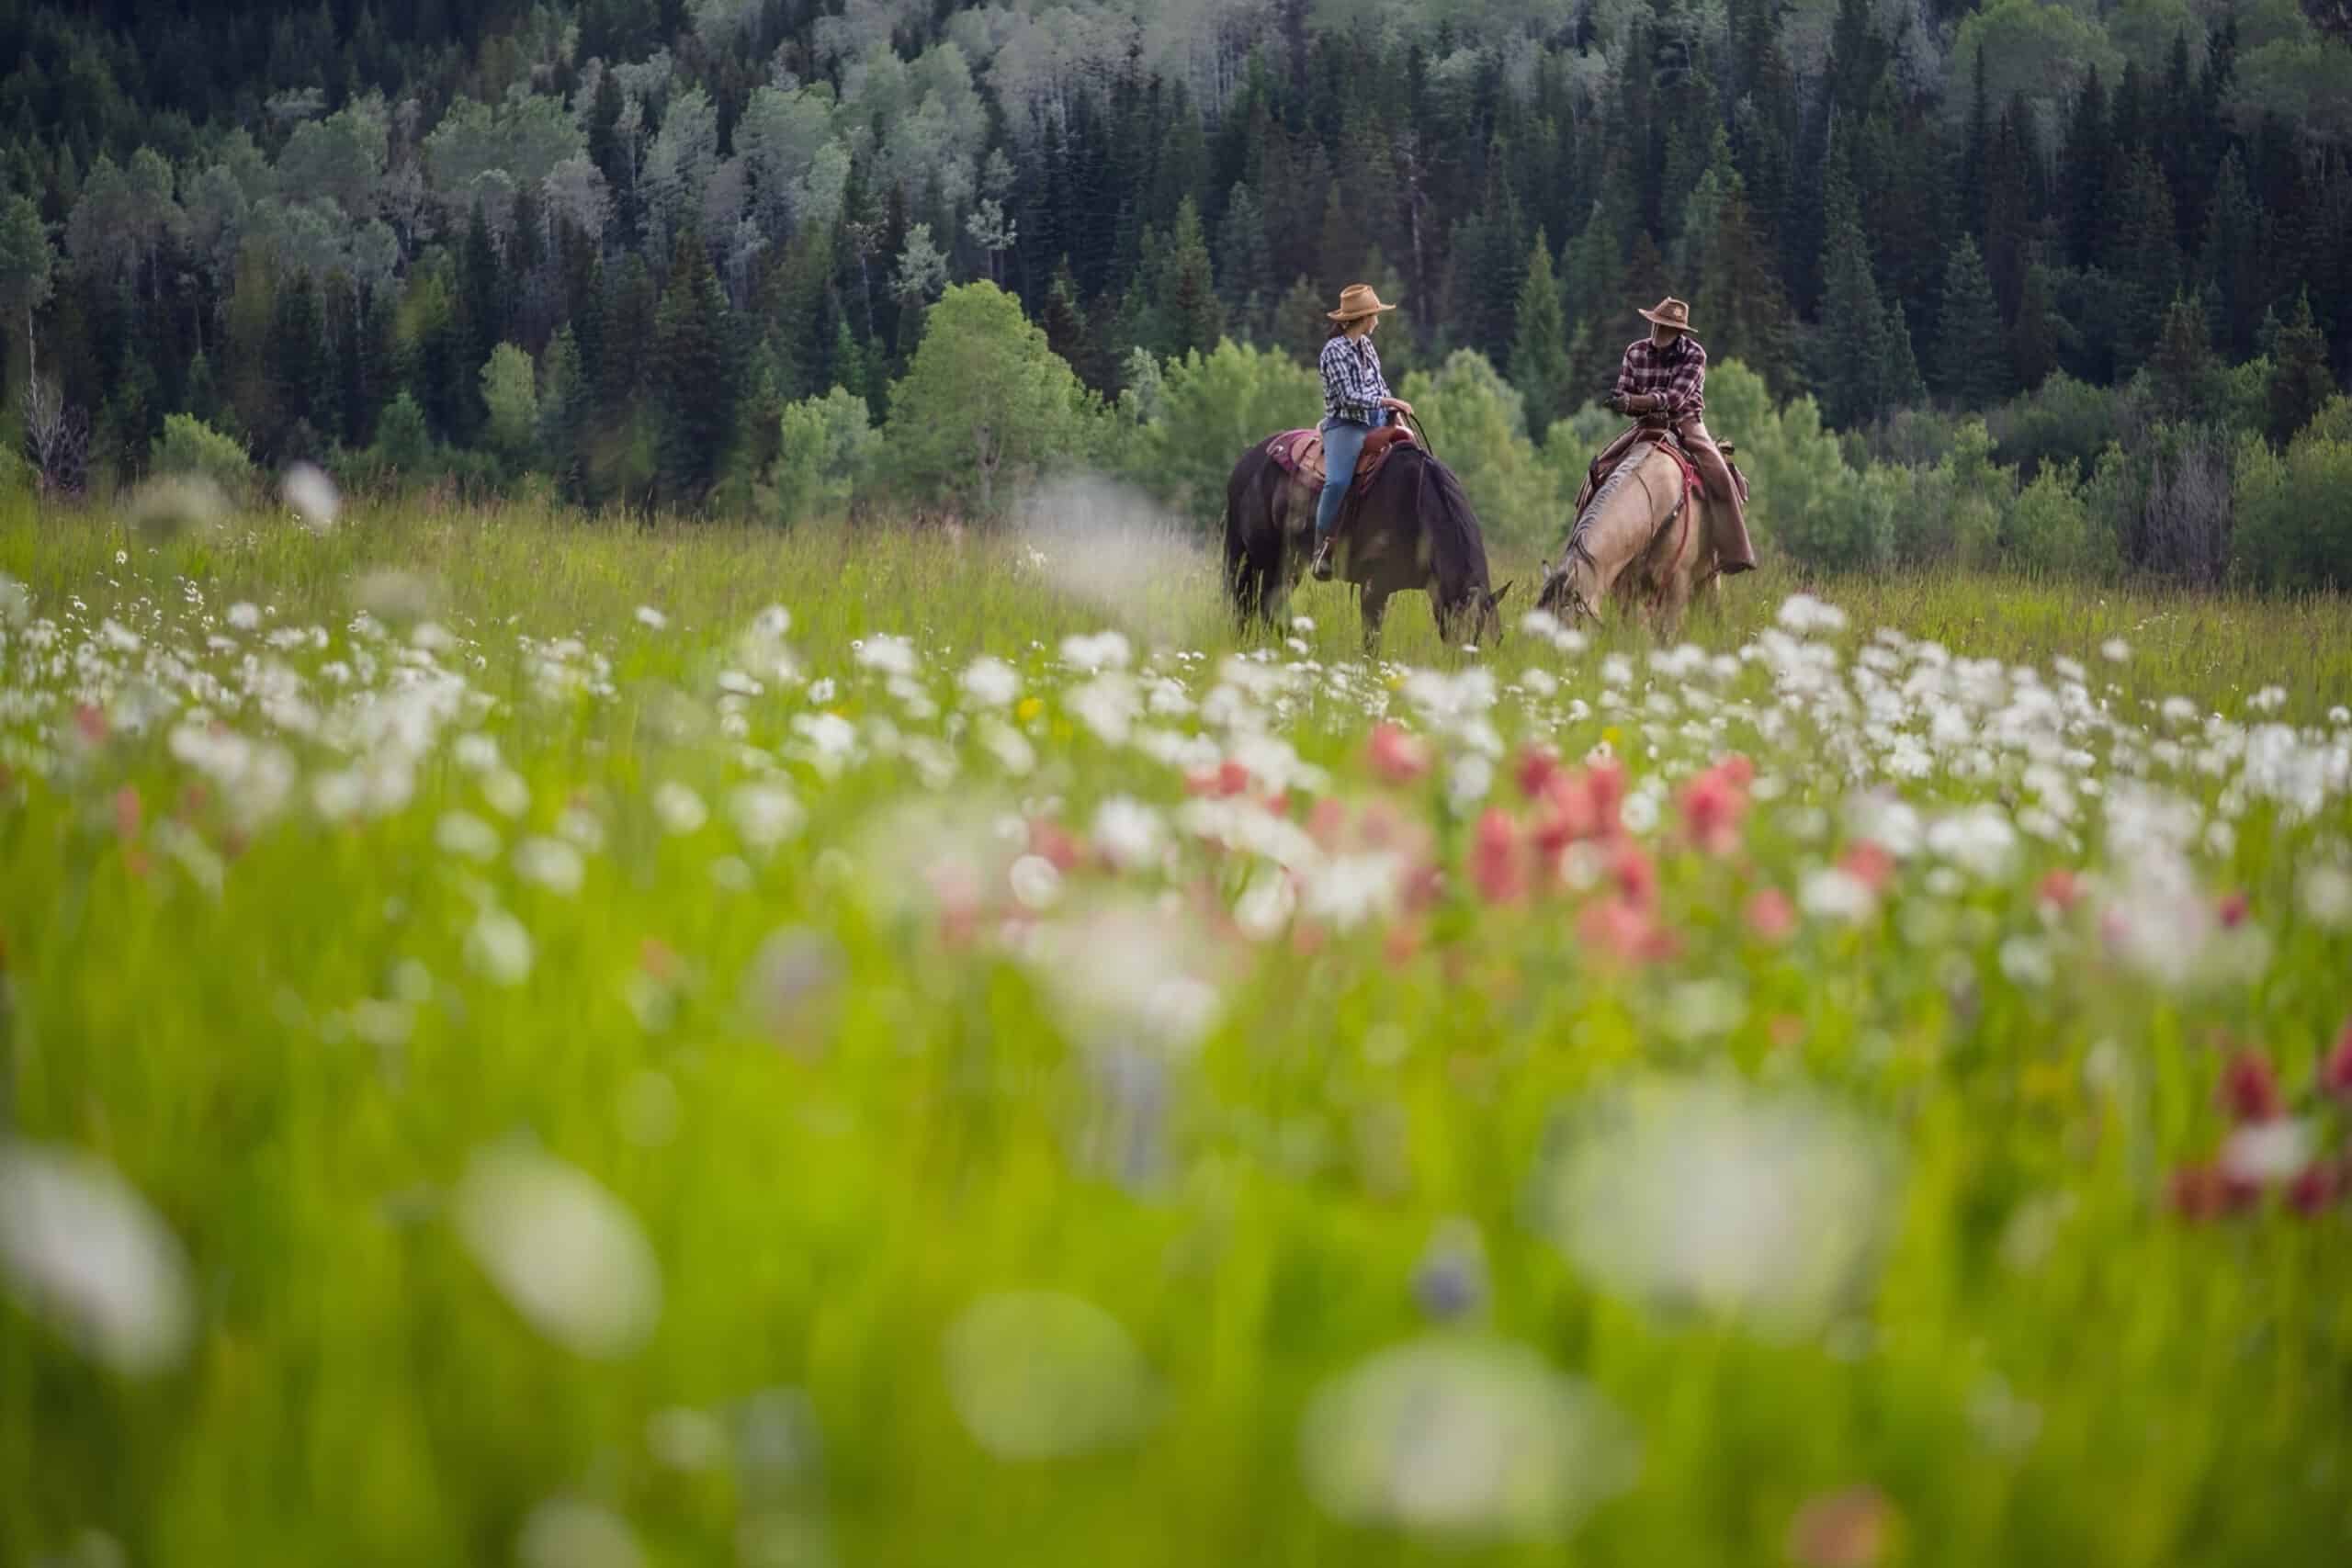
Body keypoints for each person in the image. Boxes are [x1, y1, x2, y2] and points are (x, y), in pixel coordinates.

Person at [1607, 297, 1757, 573]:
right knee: (1602, 466)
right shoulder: (1634, 351)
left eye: (1666, 327)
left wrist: (1634, 402)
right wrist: (1622, 402)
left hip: (1686, 423)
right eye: (1657, 325)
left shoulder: (1695, 355)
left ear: (1679, 332)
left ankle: (1735, 551)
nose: (1659, 332)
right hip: (1646, 425)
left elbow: (1675, 398)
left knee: (1719, 474)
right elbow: (1625, 387)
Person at [1309, 284, 1413, 581]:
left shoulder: (1366, 346)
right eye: (1375, 314)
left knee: (1414, 453)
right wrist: (1386, 401)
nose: (1377, 319)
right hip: (1346, 425)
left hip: (1377, 419)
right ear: (1365, 318)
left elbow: (1379, 384)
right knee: (1338, 481)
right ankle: (1321, 547)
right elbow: (1347, 397)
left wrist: (1392, 409)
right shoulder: (1333, 351)